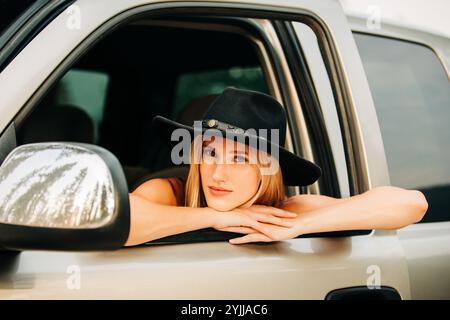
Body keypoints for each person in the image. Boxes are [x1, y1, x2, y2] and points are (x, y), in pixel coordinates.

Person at [125, 88, 428, 246]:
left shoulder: (282, 211)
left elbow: (411, 203)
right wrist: (219, 216)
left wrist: (297, 226)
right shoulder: (168, 191)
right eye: (210, 153)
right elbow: (120, 221)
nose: (218, 173)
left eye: (240, 159)